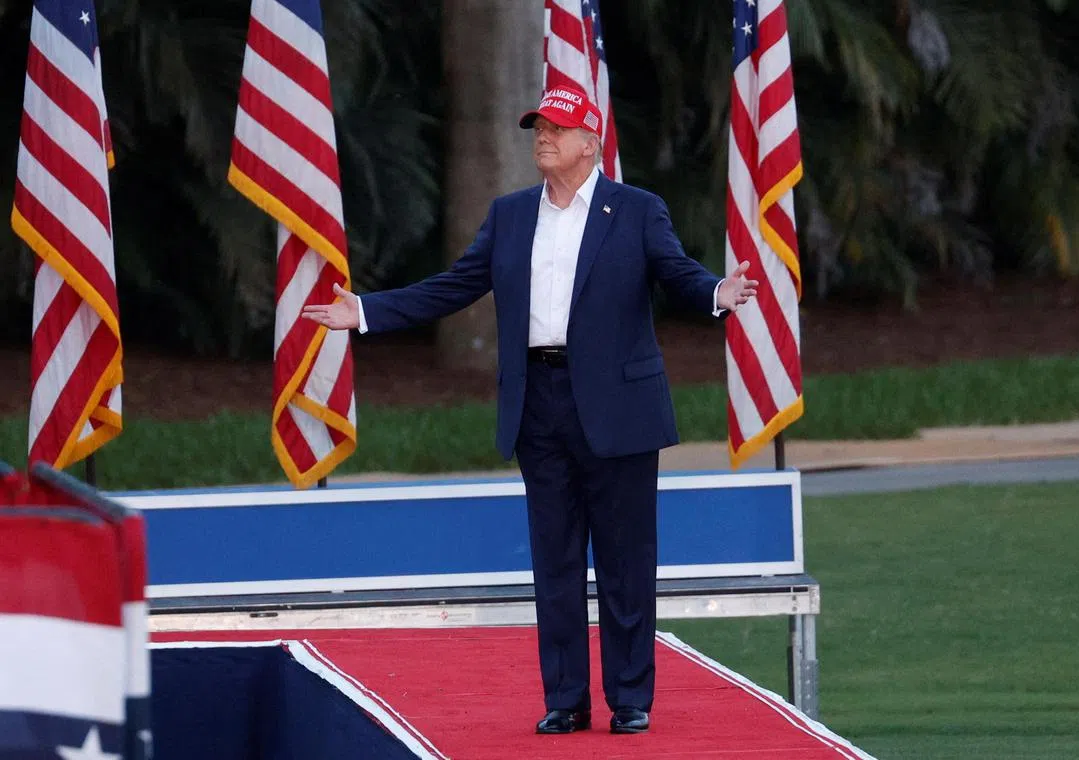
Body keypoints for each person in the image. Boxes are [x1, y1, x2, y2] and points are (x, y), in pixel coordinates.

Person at [302, 86, 758, 735]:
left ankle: (630, 698)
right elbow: (455, 285)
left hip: (617, 406)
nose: (543, 136)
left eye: (557, 127)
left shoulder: (634, 210)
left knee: (626, 559)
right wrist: (368, 312)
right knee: (556, 558)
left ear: (589, 142)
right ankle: (565, 699)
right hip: (537, 400)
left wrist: (716, 290)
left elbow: (677, 273)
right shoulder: (511, 215)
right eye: (537, 127)